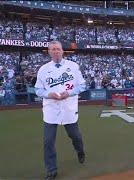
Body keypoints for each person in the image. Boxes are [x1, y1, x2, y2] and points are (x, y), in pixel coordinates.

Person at [35, 41, 86, 180]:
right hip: (51, 109)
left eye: (58, 49)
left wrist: (68, 93)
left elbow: (82, 86)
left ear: (63, 51)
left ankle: (80, 151)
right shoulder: (43, 69)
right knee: (48, 141)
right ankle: (51, 170)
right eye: (53, 49)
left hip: (69, 108)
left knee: (75, 136)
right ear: (49, 52)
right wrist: (47, 94)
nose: (56, 51)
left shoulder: (73, 66)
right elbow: (38, 89)